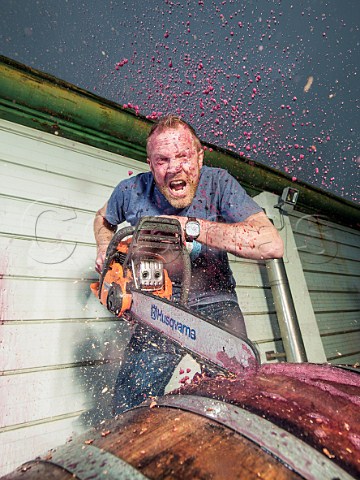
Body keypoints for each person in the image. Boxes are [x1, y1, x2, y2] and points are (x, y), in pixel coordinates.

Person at [94, 115, 283, 415]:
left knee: (235, 396)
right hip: (156, 310)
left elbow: (270, 243)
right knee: (128, 405)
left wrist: (188, 227)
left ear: (199, 155)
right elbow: (103, 219)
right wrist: (107, 251)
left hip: (215, 304)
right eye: (162, 160)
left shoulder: (218, 184)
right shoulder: (130, 191)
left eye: (183, 156)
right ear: (150, 163)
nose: (174, 168)